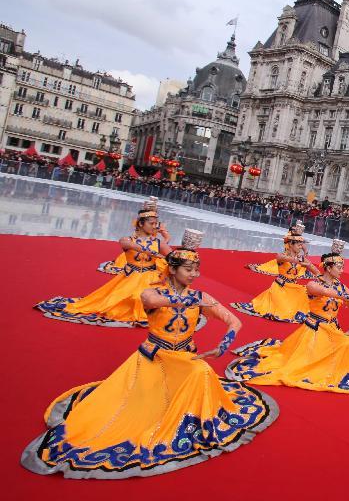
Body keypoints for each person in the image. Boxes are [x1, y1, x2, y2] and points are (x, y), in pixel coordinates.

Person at [21, 229, 278, 478]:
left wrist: (223, 346)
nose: (194, 275)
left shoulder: (202, 296)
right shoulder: (151, 292)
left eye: (196, 270)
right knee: (132, 412)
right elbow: (154, 303)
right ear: (173, 270)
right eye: (188, 269)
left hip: (186, 358)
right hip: (154, 358)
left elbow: (235, 322)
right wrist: (193, 300)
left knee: (201, 371)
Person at [227, 240, 349, 395]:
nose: (342, 270)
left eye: (342, 267)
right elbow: (322, 290)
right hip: (313, 330)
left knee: (348, 344)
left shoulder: (342, 287)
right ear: (328, 268)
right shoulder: (313, 284)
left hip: (332, 330)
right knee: (300, 364)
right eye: (339, 267)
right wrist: (343, 297)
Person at [35, 198, 174, 327]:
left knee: (150, 301)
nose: (155, 226)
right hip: (131, 277)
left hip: (151, 279)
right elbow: (126, 243)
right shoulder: (128, 240)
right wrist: (148, 251)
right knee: (114, 302)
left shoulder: (158, 241)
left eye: (156, 224)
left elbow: (172, 257)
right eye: (151, 223)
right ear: (141, 223)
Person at [232, 224, 319, 322]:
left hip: (293, 287)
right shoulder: (281, 256)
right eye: (298, 245)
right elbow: (284, 258)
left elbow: (313, 269)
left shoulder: (302, 258)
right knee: (283, 310)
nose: (300, 247)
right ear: (291, 244)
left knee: (309, 297)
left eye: (301, 245)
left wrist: (322, 277)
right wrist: (297, 261)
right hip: (280, 288)